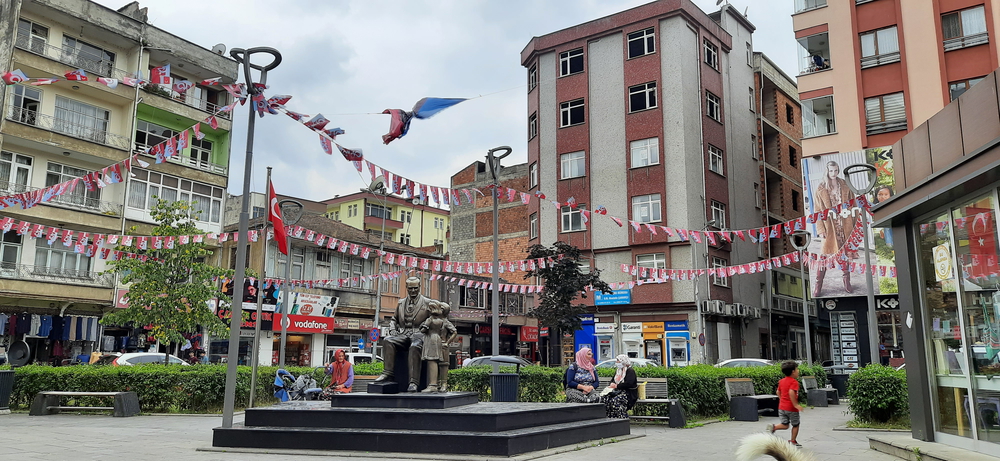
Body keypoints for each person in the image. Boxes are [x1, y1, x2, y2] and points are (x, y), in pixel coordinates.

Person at [374, 277, 433, 392]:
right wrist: (392, 329)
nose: (413, 291)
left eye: (415, 288)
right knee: (388, 340)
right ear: (406, 288)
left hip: (420, 336)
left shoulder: (427, 302)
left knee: (414, 347)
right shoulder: (401, 303)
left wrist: (426, 325)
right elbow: (394, 319)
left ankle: (413, 382)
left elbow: (433, 318)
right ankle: (388, 373)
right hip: (404, 334)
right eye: (410, 288)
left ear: (419, 287)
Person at [813, 160, 858, 297]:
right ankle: (818, 284)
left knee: (845, 254)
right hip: (829, 226)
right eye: (831, 170)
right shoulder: (820, 188)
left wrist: (855, 224)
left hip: (845, 224)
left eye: (836, 170)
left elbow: (854, 205)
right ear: (827, 171)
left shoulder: (845, 185)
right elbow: (817, 211)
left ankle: (847, 281)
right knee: (824, 256)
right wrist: (820, 229)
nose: (833, 173)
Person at [419, 301, 458, 392]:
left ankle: (444, 384)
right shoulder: (432, 319)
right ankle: (436, 383)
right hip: (434, 343)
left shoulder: (445, 322)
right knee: (434, 363)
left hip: (442, 344)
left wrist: (447, 343)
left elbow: (454, 332)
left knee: (443, 364)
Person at [766, 360, 805, 447]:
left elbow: (778, 392)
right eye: (797, 369)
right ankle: (793, 441)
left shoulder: (781, 381)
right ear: (793, 371)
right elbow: (791, 392)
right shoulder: (794, 382)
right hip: (791, 408)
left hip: (782, 407)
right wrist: (795, 405)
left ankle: (774, 427)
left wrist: (782, 400)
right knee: (796, 424)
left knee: (785, 424)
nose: (798, 371)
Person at [601, 354, 638, 418]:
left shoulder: (630, 371)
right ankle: (610, 417)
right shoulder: (618, 371)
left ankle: (622, 417)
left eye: (618, 360)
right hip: (617, 392)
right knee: (605, 399)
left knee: (615, 401)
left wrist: (617, 386)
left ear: (623, 361)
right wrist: (612, 384)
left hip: (628, 393)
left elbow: (629, 384)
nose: (617, 362)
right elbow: (612, 381)